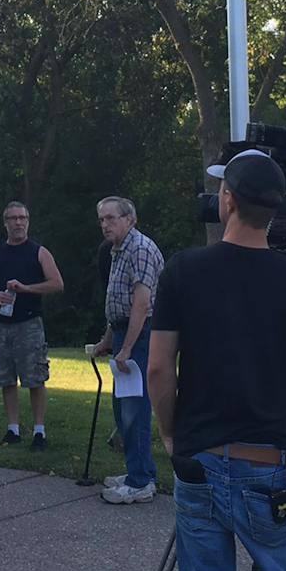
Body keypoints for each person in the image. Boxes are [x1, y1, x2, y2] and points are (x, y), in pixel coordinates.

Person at [147, 148, 286, 571]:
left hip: (199, 461)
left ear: (227, 200)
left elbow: (159, 369)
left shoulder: (183, 270)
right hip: (267, 467)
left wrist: (170, 434)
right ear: (276, 209)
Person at [0, 201, 64, 448]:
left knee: (35, 378)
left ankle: (39, 431)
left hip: (29, 324)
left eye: (22, 218)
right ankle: (13, 429)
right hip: (0, 326)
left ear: (28, 221)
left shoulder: (39, 252)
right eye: (13, 218)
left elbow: (56, 283)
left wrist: (27, 289)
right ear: (5, 223)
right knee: (6, 378)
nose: (18, 222)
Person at [90, 196, 163, 504]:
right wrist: (109, 340)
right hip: (124, 333)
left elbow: (141, 304)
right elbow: (117, 304)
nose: (105, 224)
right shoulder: (118, 250)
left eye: (111, 218)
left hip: (142, 336)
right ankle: (140, 470)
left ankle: (140, 482)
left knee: (135, 409)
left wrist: (128, 348)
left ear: (130, 219)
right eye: (102, 219)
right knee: (123, 408)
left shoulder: (141, 249)